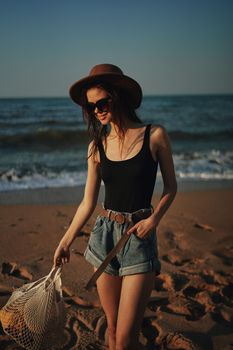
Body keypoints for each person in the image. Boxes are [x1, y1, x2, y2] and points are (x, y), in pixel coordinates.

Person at [53, 63, 177, 350]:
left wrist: (154, 219)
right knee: (111, 328)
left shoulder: (154, 135)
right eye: (91, 106)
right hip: (104, 237)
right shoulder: (96, 146)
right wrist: (65, 241)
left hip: (138, 236)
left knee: (125, 338)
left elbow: (171, 187)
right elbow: (88, 201)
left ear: (118, 96)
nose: (97, 110)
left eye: (102, 102)